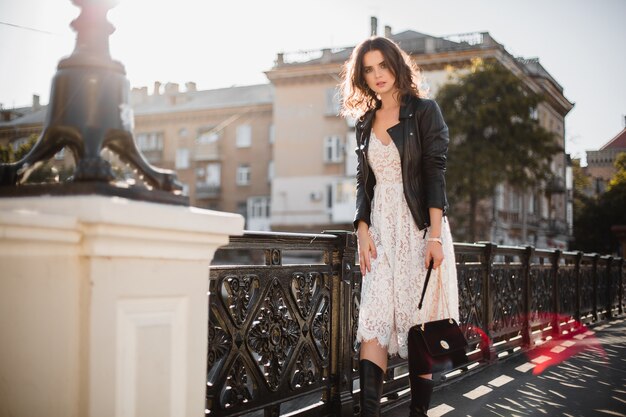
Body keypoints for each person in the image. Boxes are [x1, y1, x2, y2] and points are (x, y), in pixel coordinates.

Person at [340, 36, 460, 417]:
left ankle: (418, 413)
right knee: (373, 318)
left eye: (383, 66)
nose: (377, 75)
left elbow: (434, 174)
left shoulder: (425, 111)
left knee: (416, 322)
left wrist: (435, 236)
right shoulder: (364, 123)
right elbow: (364, 183)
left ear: (397, 65)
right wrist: (361, 228)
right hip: (379, 230)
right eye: (368, 69)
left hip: (419, 227)